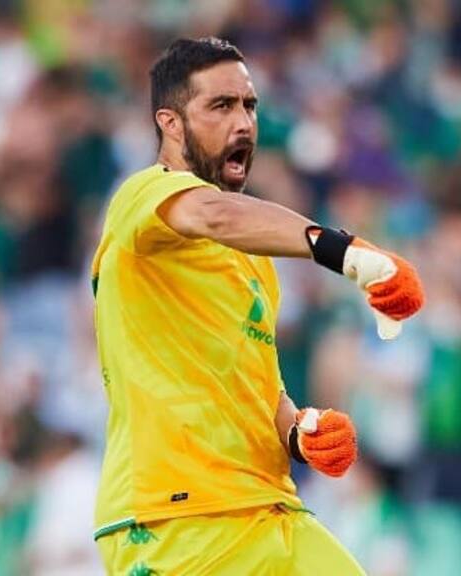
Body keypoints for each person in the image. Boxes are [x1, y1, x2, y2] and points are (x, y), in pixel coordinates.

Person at [90, 37, 424, 575]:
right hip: (175, 519)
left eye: (249, 105)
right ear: (170, 123)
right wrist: (347, 253)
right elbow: (213, 215)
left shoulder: (256, 263)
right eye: (220, 106)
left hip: (270, 512)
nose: (243, 122)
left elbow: (260, 392)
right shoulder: (142, 197)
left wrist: (300, 431)